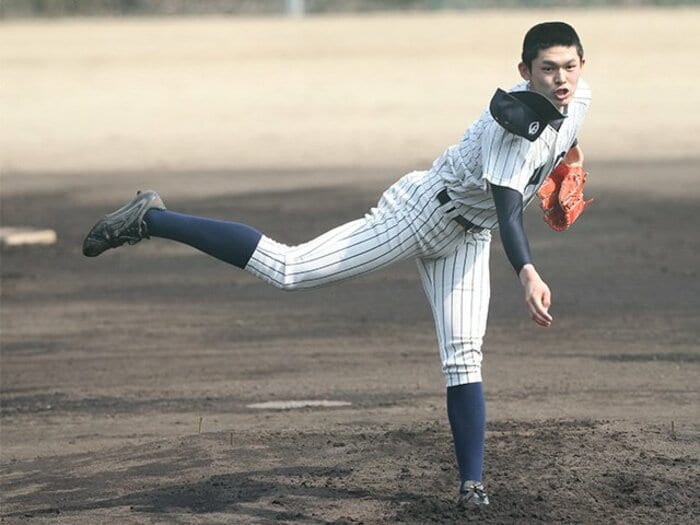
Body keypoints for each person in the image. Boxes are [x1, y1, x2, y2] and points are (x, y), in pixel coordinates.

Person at [83, 21, 591, 507]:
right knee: (289, 269)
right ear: (524, 70)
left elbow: (564, 139)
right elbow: (507, 214)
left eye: (569, 67)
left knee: (464, 357)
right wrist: (527, 272)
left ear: (582, 65)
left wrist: (567, 161)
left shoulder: (580, 100)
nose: (561, 78)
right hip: (420, 214)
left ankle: (472, 487)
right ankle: (153, 219)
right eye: (548, 68)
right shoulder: (510, 130)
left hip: (467, 237)